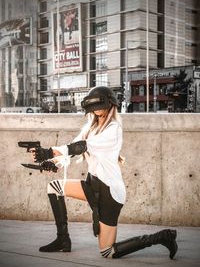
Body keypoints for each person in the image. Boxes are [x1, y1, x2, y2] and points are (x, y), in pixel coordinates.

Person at [30, 86, 178, 259]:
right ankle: (63, 240)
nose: (95, 109)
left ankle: (163, 237)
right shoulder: (90, 127)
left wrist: (49, 152)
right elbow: (71, 149)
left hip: (109, 193)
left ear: (109, 104)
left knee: (107, 251)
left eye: (98, 104)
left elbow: (81, 147)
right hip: (92, 185)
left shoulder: (114, 129)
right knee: (54, 187)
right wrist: (52, 163)